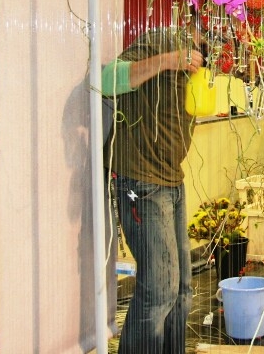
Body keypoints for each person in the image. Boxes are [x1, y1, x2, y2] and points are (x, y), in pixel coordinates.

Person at [102, 25, 204, 354]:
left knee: (181, 292)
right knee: (159, 290)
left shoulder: (203, 55)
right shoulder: (162, 40)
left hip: (171, 180)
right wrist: (168, 60)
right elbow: (106, 80)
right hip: (139, 184)